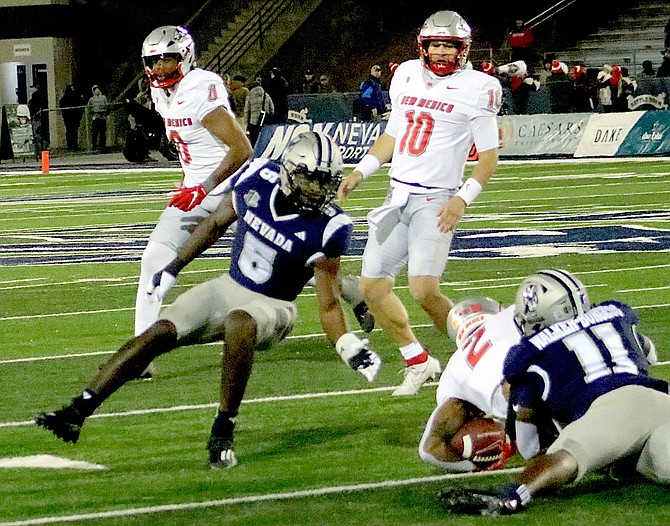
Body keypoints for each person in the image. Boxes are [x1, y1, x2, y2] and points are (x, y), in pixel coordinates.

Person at [35, 131, 382, 469]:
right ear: (288, 171)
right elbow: (215, 223)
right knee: (158, 332)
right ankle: (77, 411)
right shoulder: (257, 178)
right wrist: (174, 266)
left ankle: (223, 427)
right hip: (229, 284)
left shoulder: (331, 226)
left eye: (325, 181)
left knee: (240, 322)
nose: (319, 190)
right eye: (311, 179)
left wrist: (347, 345)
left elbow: (327, 303)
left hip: (276, 304)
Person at [338, 10, 502, 396]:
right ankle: (418, 360)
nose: (443, 53)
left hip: (436, 198)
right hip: (397, 194)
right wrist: (362, 171)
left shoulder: (479, 87)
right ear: (423, 47)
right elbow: (392, 134)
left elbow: (490, 157)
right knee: (372, 287)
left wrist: (462, 199)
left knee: (423, 289)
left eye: (450, 46)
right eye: (437, 45)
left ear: (463, 49)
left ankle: (485, 356)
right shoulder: (407, 74)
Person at [439, 269, 669, 515]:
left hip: (615, 408)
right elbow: (649, 353)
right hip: (660, 401)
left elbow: (529, 443)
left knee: (569, 454)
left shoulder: (531, 352)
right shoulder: (615, 316)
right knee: (662, 463)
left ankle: (511, 496)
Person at [132, 25, 254, 380]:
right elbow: (189, 142)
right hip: (195, 191)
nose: (158, 68)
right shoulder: (161, 94)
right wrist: (189, 178)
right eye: (152, 61)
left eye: (167, 58)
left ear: (185, 56)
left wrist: (204, 185)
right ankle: (140, 354)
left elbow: (241, 149)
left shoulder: (201, 87)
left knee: (277, 262)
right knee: (153, 260)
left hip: (235, 188)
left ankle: (351, 292)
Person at [419, 297, 525, 473]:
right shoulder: (509, 317)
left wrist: (475, 467)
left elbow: (429, 450)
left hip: (520, 412)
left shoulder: (452, 372)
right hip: (543, 392)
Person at [244, 75, 274, 146]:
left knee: (254, 139)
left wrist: (246, 123)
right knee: (264, 138)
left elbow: (247, 110)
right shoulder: (266, 95)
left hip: (253, 122)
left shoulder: (250, 96)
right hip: (264, 120)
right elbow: (272, 108)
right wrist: (270, 115)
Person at [59, 85, 85, 151]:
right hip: (70, 117)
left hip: (72, 117)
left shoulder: (72, 97)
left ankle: (72, 146)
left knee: (72, 132)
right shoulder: (68, 98)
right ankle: (72, 146)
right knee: (72, 132)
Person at [27, 82, 49, 155]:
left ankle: (40, 149)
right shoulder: (42, 95)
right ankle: (43, 148)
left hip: (37, 117)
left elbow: (34, 106)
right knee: (39, 133)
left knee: (37, 133)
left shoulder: (36, 96)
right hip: (40, 116)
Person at [87, 85, 109, 152]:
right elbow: (89, 108)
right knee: (95, 133)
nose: (97, 91)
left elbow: (107, 106)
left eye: (98, 89)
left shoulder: (104, 98)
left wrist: (105, 114)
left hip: (102, 117)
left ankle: (103, 147)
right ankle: (94, 147)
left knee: (102, 133)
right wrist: (91, 116)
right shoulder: (91, 99)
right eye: (95, 90)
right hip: (95, 117)